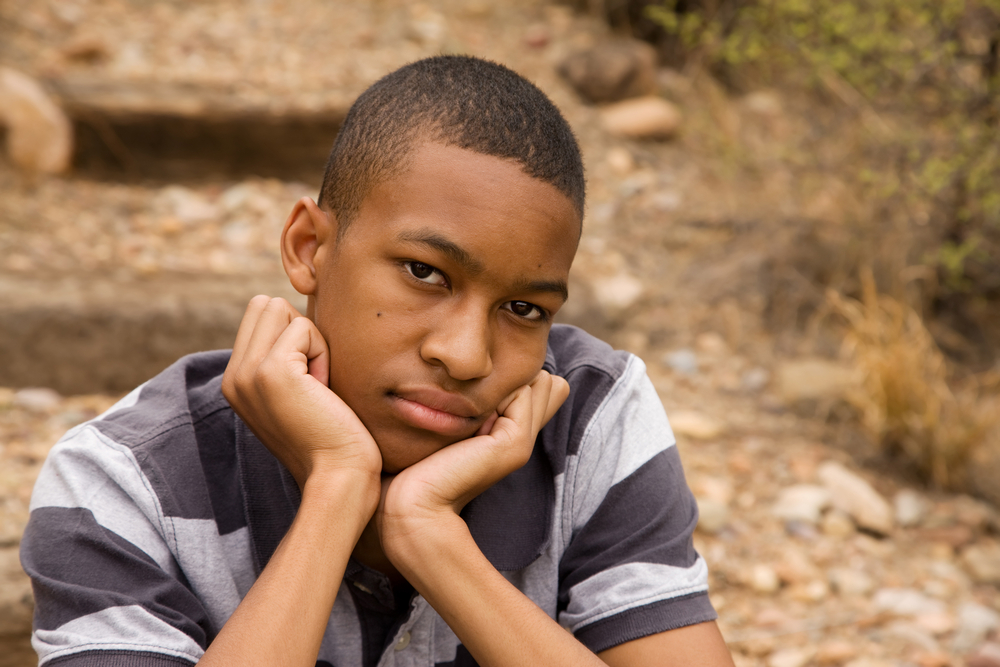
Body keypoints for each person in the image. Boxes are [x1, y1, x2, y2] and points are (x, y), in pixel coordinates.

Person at [21, 56, 734, 667]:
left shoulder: (587, 418)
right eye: (425, 272)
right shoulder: (124, 482)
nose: (464, 354)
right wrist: (337, 490)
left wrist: (429, 536)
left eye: (524, 309)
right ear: (308, 247)